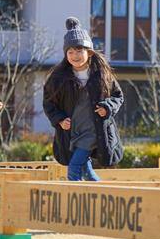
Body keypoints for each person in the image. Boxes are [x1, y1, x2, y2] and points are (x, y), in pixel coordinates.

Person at [43, 17, 124, 180]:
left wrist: (107, 107)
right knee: (86, 171)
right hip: (72, 131)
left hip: (94, 130)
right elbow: (49, 103)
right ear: (66, 54)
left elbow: (118, 96)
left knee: (74, 168)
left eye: (79, 51)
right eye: (70, 52)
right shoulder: (58, 78)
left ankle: (74, 195)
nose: (75, 56)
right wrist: (59, 119)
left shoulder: (102, 75)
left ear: (89, 52)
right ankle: (100, 192)